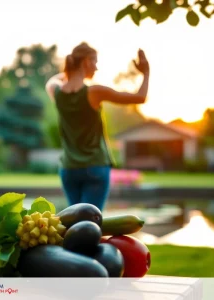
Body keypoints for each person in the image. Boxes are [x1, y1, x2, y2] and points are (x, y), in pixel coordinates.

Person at [45, 42, 150, 211]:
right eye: (94, 61)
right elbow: (140, 97)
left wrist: (71, 71)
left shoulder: (56, 92)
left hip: (69, 169)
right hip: (95, 167)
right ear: (86, 61)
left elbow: (52, 80)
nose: (96, 68)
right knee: (90, 222)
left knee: (74, 223)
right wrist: (146, 72)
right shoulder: (94, 92)